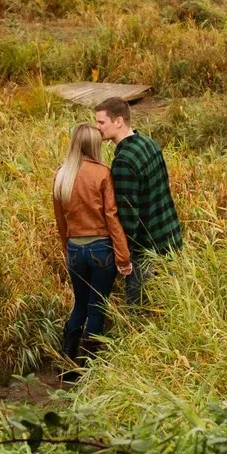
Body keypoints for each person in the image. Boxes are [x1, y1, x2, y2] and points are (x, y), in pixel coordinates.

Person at [50, 121, 131, 380]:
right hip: (101, 249)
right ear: (94, 145)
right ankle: (86, 367)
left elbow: (60, 221)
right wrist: (123, 256)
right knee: (97, 306)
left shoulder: (61, 174)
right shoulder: (102, 173)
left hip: (75, 249)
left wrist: (68, 250)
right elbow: (112, 218)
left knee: (80, 305)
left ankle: (66, 361)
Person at [94, 97, 181, 309]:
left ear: (118, 121)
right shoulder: (148, 142)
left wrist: (123, 254)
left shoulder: (124, 161)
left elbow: (127, 216)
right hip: (169, 237)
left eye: (101, 123)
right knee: (169, 305)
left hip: (146, 250)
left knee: (139, 311)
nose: (97, 128)